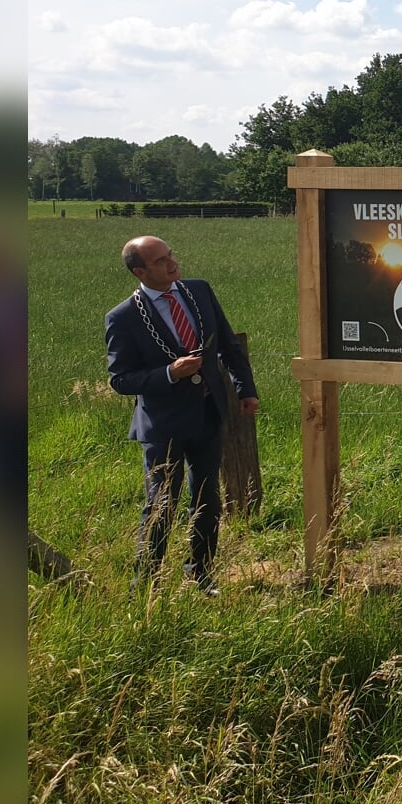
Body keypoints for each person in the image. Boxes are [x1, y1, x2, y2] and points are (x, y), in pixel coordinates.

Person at [105, 236, 259, 594]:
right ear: (140, 271)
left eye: (171, 255)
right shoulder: (124, 317)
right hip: (163, 425)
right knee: (161, 504)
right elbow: (121, 379)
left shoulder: (198, 291)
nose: (172, 264)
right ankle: (145, 584)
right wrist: (169, 373)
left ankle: (201, 574)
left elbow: (227, 344)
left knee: (208, 499)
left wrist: (245, 389)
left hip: (207, 412)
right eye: (161, 261)